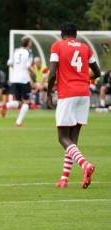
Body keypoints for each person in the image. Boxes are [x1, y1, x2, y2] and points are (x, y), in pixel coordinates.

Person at [47, 23, 101, 189]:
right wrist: (84, 77)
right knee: (72, 139)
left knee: (62, 137)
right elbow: (97, 72)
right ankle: (64, 178)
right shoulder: (85, 48)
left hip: (67, 94)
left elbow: (52, 72)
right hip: (84, 94)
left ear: (62, 34)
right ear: (75, 35)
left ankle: (85, 165)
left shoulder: (58, 46)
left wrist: (49, 92)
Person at [0, 36, 33, 126]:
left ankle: (4, 106)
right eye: (30, 42)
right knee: (26, 102)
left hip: (14, 79)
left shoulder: (16, 51)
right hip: (24, 80)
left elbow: (9, 63)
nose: (31, 43)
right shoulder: (29, 52)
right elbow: (28, 66)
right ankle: (18, 122)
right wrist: (33, 74)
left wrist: (17, 69)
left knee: (18, 102)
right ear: (28, 43)